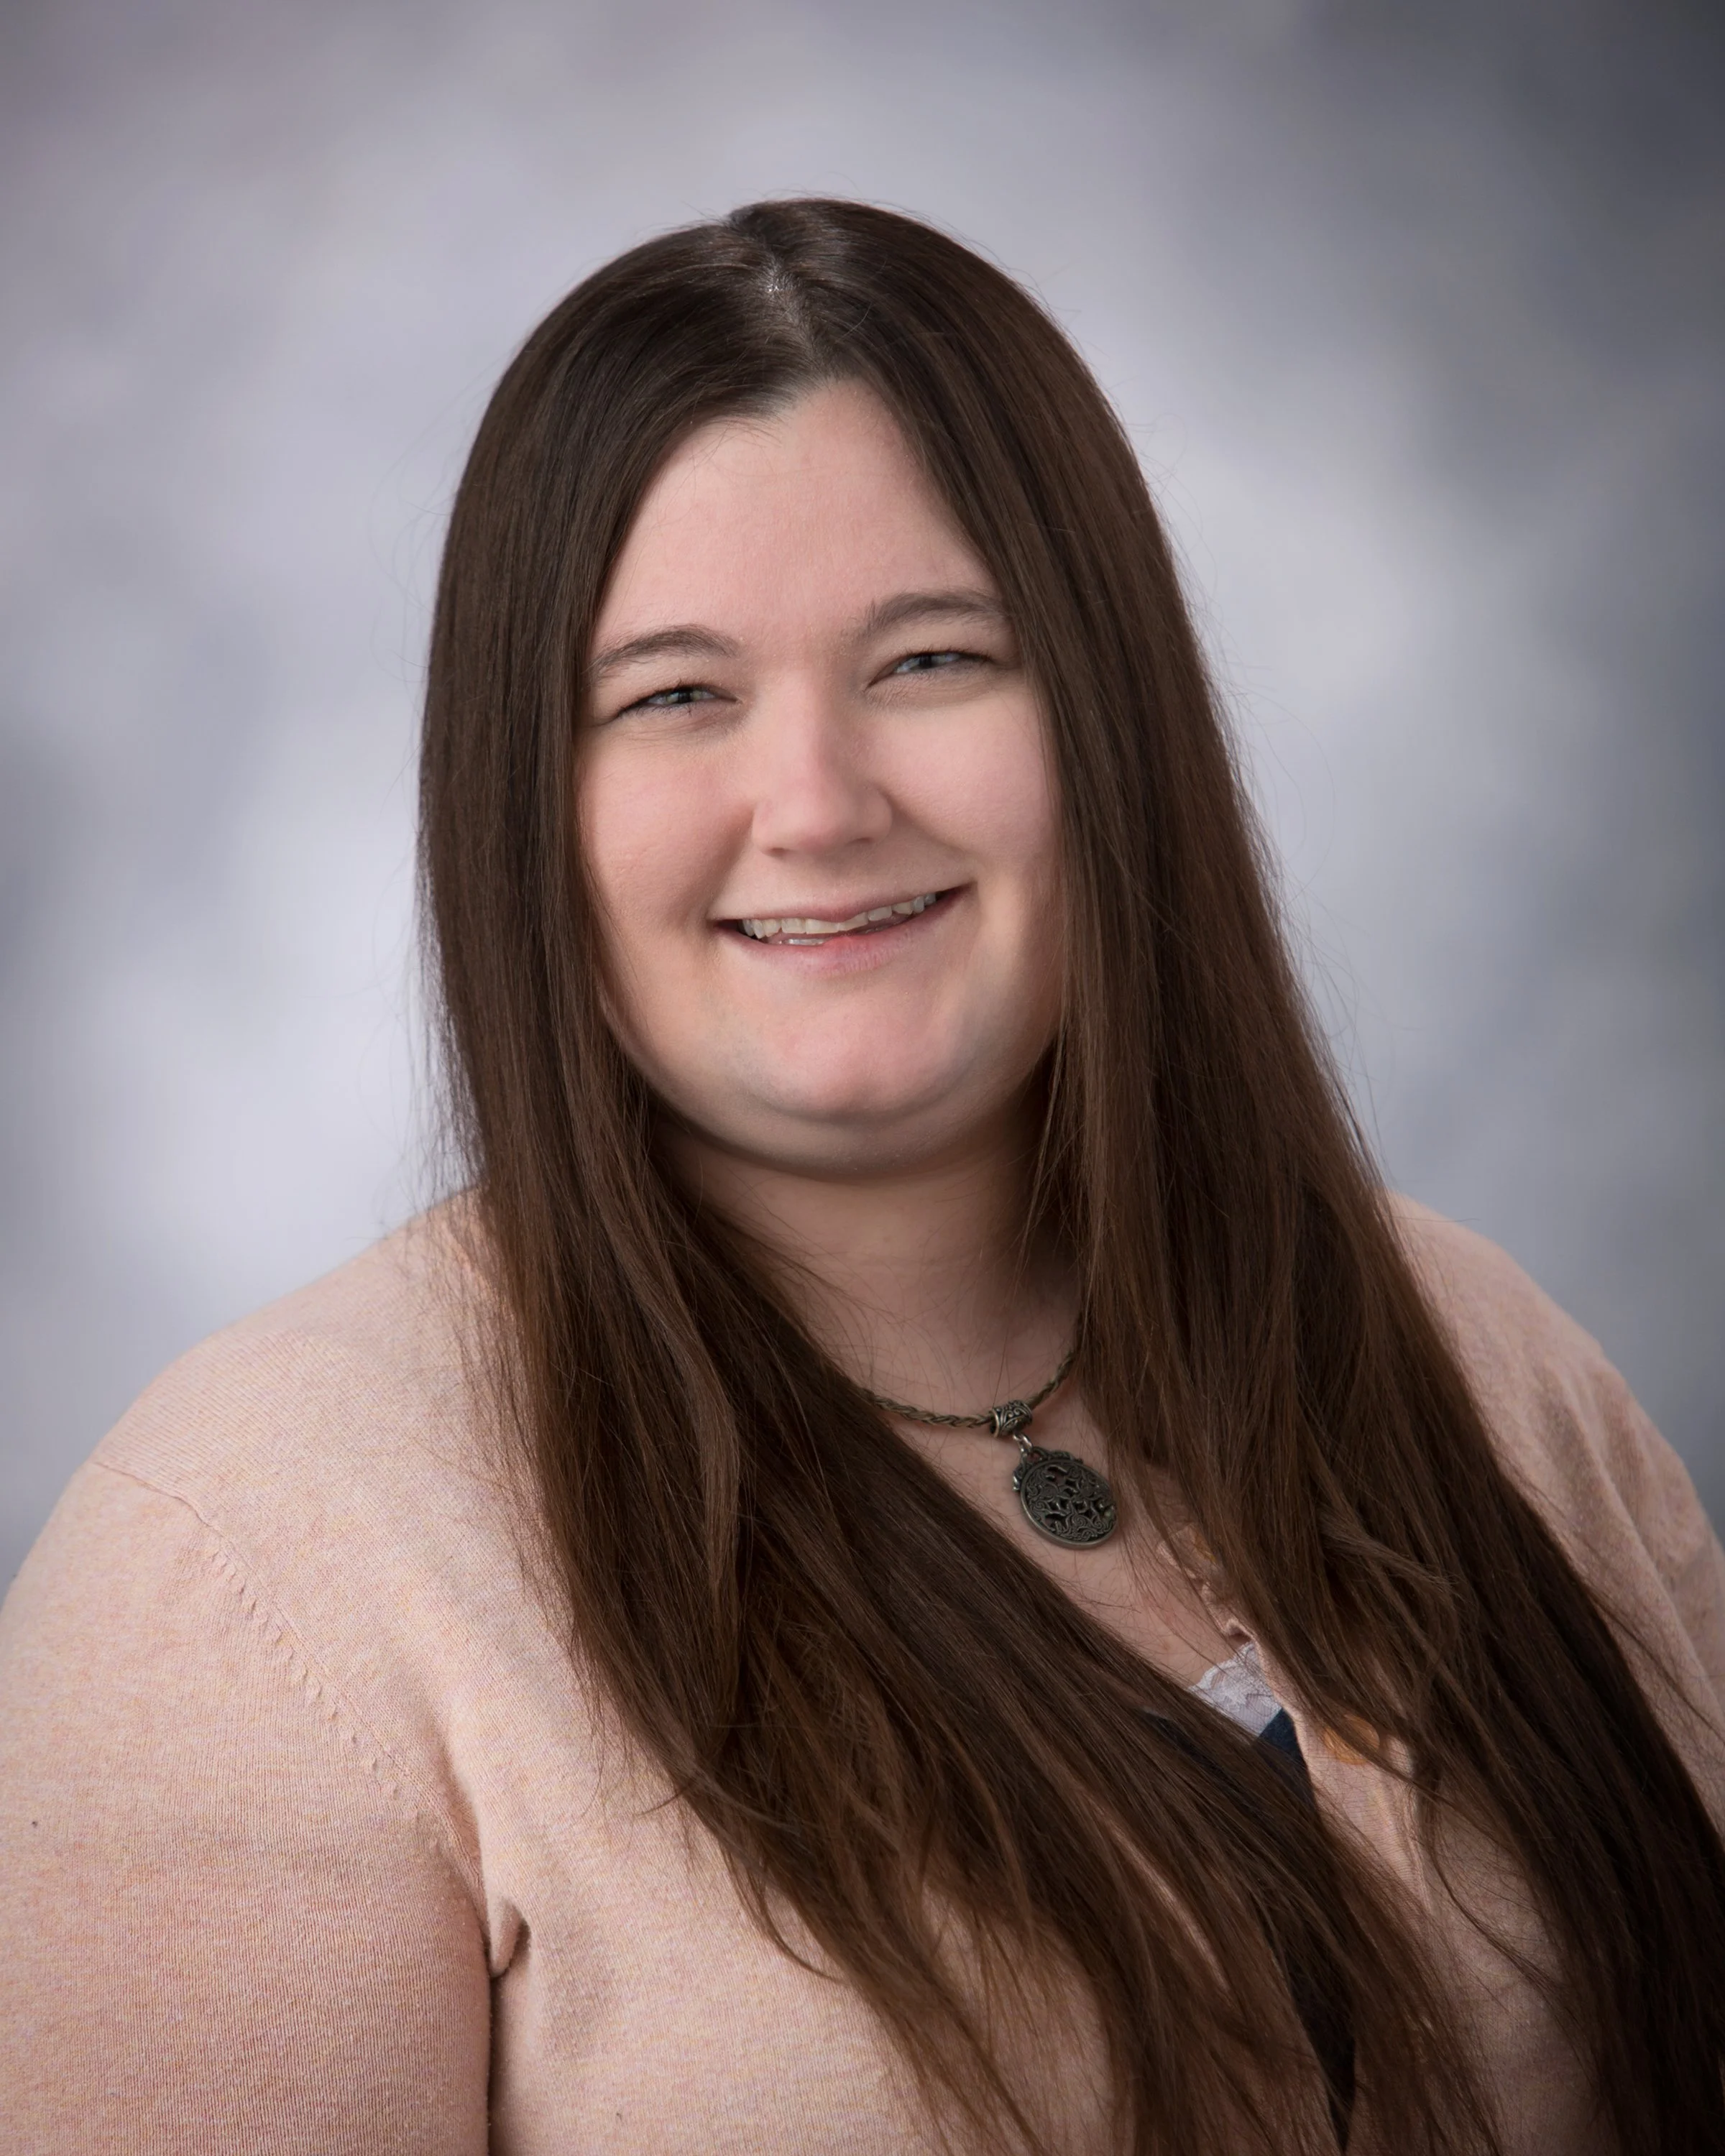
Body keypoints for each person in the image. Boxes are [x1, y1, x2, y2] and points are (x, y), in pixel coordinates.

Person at [1, 198, 1721, 2156]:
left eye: (932, 659)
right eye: (674, 694)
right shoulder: (250, 1563)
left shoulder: (1483, 1358)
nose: (819, 802)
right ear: (526, 807)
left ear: (1111, 720)